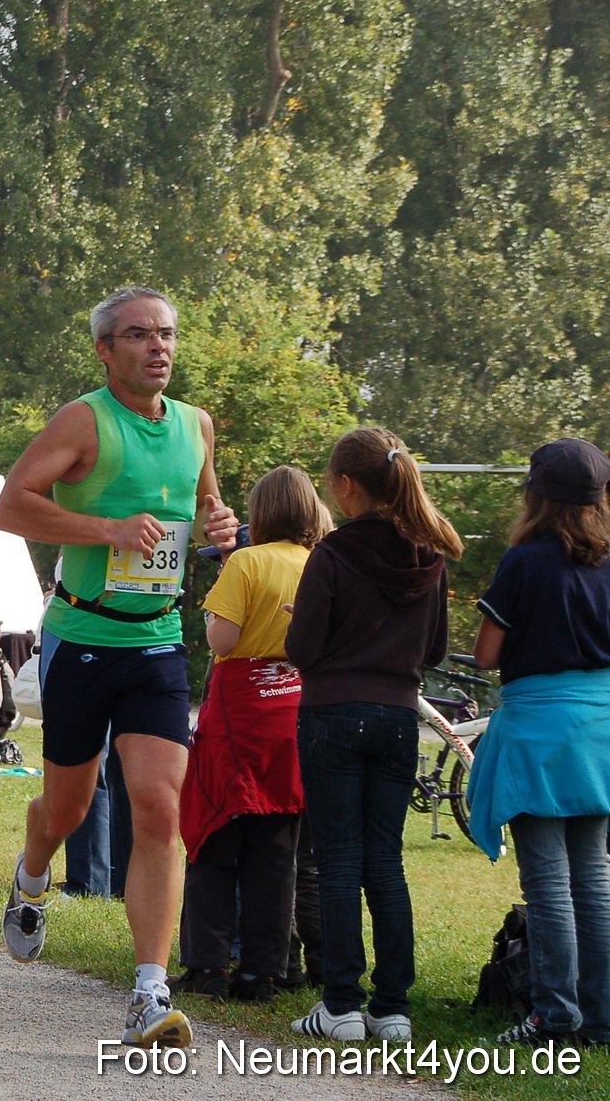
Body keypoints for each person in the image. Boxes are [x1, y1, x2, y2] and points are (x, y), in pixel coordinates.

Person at [0, 285, 240, 1049]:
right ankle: (34, 872)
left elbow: (205, 511)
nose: (157, 347)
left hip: (159, 639)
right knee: (66, 809)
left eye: (165, 334)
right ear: (105, 349)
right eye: (138, 335)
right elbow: (9, 506)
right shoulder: (84, 420)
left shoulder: (196, 424)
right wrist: (106, 528)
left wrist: (220, 526)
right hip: (82, 634)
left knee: (160, 808)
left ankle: (148, 989)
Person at [284, 426, 459, 1043]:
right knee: (385, 861)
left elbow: (302, 648)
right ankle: (393, 1008)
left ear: (347, 486)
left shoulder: (332, 555)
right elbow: (434, 647)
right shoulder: (429, 556)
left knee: (336, 859)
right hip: (396, 717)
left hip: (332, 711)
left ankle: (340, 1004)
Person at [468, 438, 610, 1047]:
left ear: (537, 496)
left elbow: (487, 654)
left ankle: (555, 1017)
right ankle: (601, 1017)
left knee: (549, 883)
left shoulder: (523, 562)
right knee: (596, 880)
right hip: (602, 730)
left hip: (539, 733)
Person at [173, 465, 329, 1004]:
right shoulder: (320, 563)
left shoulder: (246, 561)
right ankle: (264, 971)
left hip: (241, 710)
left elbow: (223, 637)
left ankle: (208, 965)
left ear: (260, 513)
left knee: (215, 835)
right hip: (297, 709)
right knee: (278, 850)